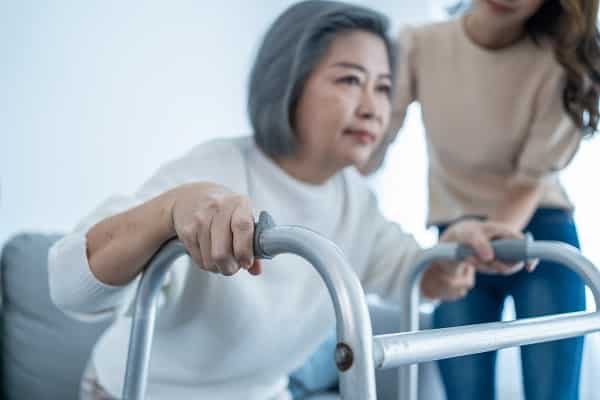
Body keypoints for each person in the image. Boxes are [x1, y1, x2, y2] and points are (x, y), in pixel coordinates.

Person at [48, 2, 524, 399]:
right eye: (349, 80)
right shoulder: (217, 167)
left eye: (383, 87)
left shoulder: (355, 202)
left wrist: (455, 250)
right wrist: (172, 208)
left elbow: (413, 276)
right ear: (289, 81)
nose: (372, 106)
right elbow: (68, 283)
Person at [362, 1, 600, 399]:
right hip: (457, 239)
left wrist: (489, 237)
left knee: (553, 394)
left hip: (538, 234)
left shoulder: (560, 62)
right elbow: (373, 142)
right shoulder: (418, 45)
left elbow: (530, 180)